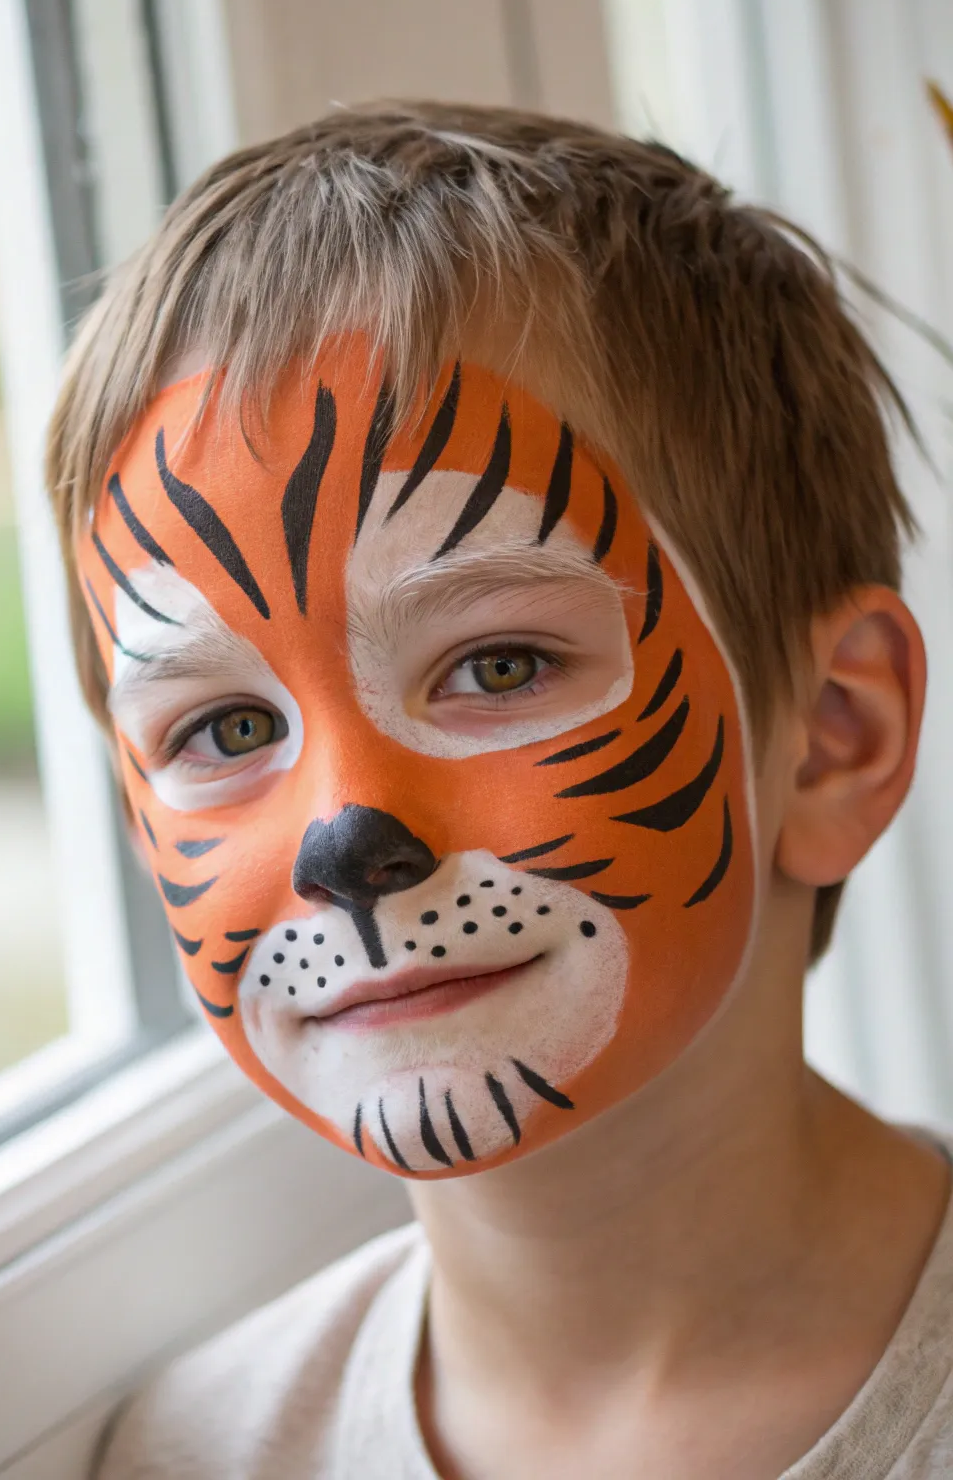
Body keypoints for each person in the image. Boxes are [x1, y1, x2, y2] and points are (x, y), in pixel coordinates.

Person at [48, 104, 952, 1479]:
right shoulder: (193, 1455)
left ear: (832, 736)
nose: (344, 840)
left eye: (498, 662)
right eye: (227, 726)